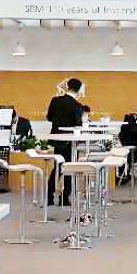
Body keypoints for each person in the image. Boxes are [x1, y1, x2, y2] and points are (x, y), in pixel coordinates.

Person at [45, 77, 85, 206]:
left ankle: (49, 197)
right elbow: (78, 125)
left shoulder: (55, 100)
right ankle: (64, 198)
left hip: (57, 140)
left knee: (57, 167)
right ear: (79, 90)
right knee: (69, 168)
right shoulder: (78, 106)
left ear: (67, 86)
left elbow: (49, 117)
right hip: (70, 142)